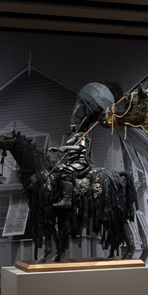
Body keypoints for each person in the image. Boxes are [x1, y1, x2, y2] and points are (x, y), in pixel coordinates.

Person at [49, 82, 114, 210]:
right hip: (73, 160)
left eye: (74, 124)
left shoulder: (82, 135)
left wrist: (63, 148)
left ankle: (67, 200)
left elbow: (81, 148)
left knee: (64, 171)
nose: (72, 124)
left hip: (81, 162)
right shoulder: (74, 135)